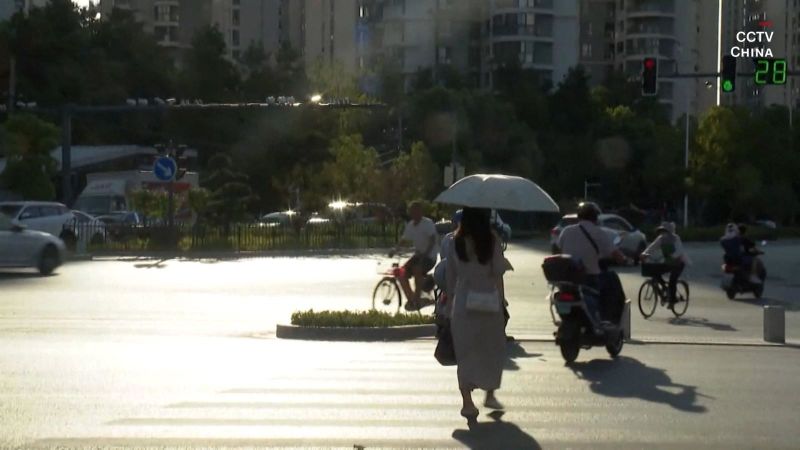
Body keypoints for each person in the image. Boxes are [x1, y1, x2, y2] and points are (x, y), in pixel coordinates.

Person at [445, 207, 508, 421]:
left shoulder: (455, 241)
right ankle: (490, 393)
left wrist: (450, 303)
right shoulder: (491, 240)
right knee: (491, 350)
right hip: (489, 303)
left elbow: (450, 277)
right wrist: (502, 300)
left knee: (465, 354)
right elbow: (498, 273)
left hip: (463, 304)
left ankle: (467, 403)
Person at [557, 202, 628, 322]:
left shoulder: (566, 231)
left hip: (567, 279)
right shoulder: (599, 233)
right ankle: (608, 320)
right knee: (612, 282)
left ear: (579, 216)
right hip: (589, 278)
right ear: (596, 217)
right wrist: (625, 260)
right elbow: (616, 254)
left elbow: (560, 248)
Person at [392, 201, 439, 310]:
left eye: (416, 211)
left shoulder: (427, 223)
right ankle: (412, 298)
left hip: (429, 257)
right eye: (412, 211)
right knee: (400, 272)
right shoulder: (411, 225)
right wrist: (395, 250)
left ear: (420, 212)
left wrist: (425, 254)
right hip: (418, 256)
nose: (414, 213)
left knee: (417, 269)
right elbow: (403, 240)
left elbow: (432, 241)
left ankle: (418, 299)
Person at [641, 222, 689, 307]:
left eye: (664, 231)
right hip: (668, 262)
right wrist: (644, 253)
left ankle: (673, 300)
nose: (662, 233)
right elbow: (652, 247)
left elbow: (679, 250)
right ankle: (664, 287)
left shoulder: (676, 238)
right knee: (654, 272)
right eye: (661, 231)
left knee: (672, 280)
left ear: (669, 231)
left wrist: (673, 256)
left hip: (679, 263)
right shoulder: (661, 239)